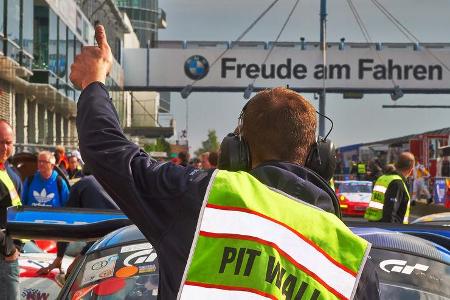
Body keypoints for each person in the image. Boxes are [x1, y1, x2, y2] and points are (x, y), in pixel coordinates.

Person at [70, 25, 379, 299]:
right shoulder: (352, 259)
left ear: (236, 153)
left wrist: (94, 80)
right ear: (319, 159)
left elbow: (106, 149)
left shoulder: (202, 199)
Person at [37, 165, 118, 277]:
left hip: (103, 241)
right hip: (129, 237)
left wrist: (60, 257)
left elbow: (66, 223)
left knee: (73, 275)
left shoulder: (81, 185)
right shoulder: (114, 182)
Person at [0, 119, 23, 300]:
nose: (5, 147)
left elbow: (17, 213)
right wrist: (9, 250)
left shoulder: (12, 174)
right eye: (0, 142)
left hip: (11, 255)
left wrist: (17, 247)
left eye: (8, 142)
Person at [364, 152, 414, 223]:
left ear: (396, 165)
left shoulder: (382, 178)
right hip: (389, 231)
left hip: (374, 226)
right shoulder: (397, 183)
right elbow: (389, 215)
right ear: (411, 169)